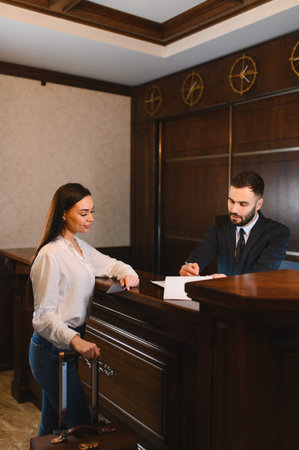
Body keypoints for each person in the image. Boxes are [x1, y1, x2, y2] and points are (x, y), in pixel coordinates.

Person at [29, 183, 139, 436]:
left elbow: (113, 265)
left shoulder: (79, 247)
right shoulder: (50, 254)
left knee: (52, 426)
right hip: (50, 352)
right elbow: (43, 317)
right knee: (81, 427)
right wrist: (76, 340)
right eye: (83, 213)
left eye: (92, 212)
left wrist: (128, 275)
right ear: (64, 214)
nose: (90, 219)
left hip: (66, 349)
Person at [180, 171, 290, 278]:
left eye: (243, 204)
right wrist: (190, 267)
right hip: (221, 294)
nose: (234, 210)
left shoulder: (278, 233)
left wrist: (228, 282)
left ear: (258, 204)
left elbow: (260, 275)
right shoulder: (220, 223)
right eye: (231, 201)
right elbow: (202, 252)